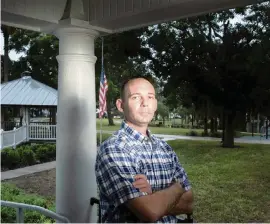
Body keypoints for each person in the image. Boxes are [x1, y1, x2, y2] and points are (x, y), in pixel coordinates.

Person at [95, 76, 193, 223]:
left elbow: (189, 203)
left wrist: (153, 193)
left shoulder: (164, 148)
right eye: (136, 97)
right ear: (121, 105)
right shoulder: (113, 149)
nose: (145, 103)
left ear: (155, 104)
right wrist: (177, 188)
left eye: (150, 97)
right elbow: (149, 212)